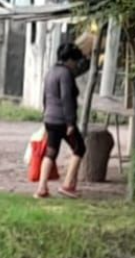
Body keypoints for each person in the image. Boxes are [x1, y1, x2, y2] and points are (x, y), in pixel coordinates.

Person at [35, 42, 87, 199]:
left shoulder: (50, 72)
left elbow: (45, 96)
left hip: (49, 118)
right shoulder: (65, 74)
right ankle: (68, 185)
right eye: (75, 61)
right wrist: (70, 123)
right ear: (69, 59)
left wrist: (45, 115)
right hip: (62, 120)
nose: (75, 65)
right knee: (79, 149)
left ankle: (41, 188)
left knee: (51, 152)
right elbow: (67, 99)